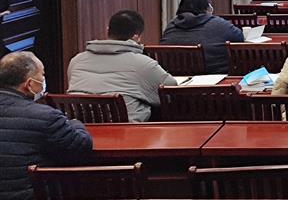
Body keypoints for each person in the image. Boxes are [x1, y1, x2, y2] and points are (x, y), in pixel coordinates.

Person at [0, 52, 93, 199]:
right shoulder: (45, 116)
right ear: (29, 84)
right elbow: (81, 147)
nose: (43, 80)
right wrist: (76, 123)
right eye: (42, 75)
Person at [67, 10, 176, 121]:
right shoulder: (143, 64)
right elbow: (171, 91)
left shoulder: (76, 61)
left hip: (79, 127)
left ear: (107, 30)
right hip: (124, 129)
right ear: (136, 37)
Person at [160, 0, 243, 74]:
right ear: (207, 8)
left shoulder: (171, 25)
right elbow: (240, 37)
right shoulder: (219, 24)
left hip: (175, 78)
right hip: (216, 77)